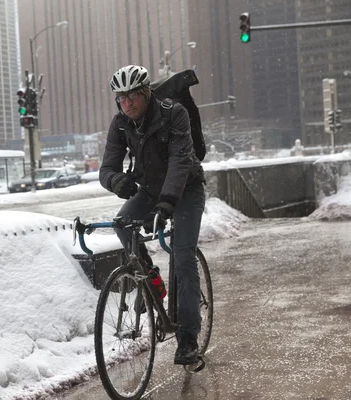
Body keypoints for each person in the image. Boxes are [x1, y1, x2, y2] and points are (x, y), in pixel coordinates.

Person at [99, 65, 206, 365]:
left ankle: (187, 340)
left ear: (146, 94)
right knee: (122, 224)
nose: (128, 102)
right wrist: (117, 181)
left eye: (133, 95)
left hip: (186, 190)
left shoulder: (174, 114)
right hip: (149, 190)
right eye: (122, 98)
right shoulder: (120, 124)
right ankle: (153, 283)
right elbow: (107, 168)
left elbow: (180, 161)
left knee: (183, 258)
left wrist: (167, 203)